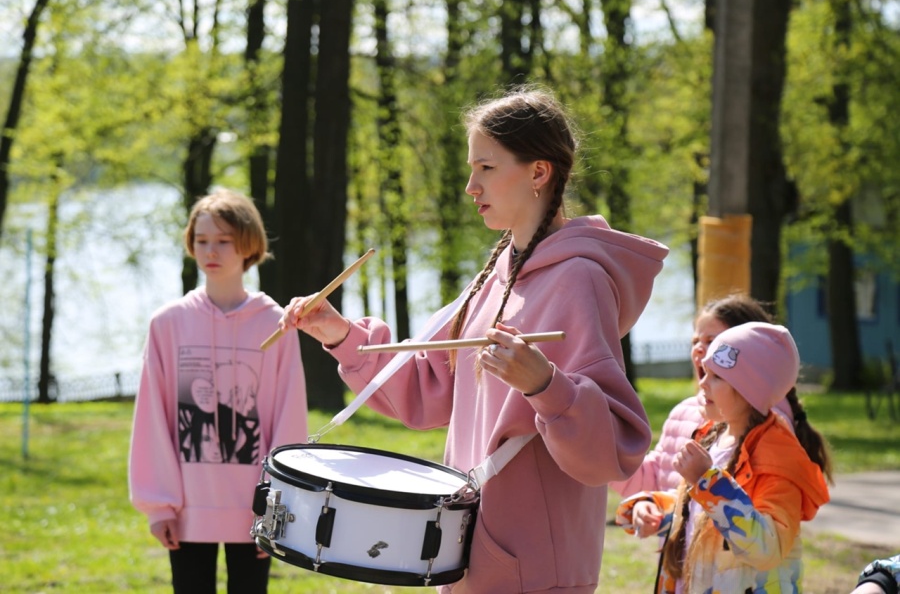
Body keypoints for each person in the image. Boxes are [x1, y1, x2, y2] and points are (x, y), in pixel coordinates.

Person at [279, 85, 669, 593]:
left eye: (485, 167)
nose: (470, 185)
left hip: (534, 568)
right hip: (468, 553)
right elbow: (426, 389)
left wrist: (546, 386)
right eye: (471, 168)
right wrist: (339, 334)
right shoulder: (496, 274)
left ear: (537, 171)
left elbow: (612, 449)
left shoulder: (579, 279)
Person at [128, 188, 308, 594]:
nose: (211, 250)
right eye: (202, 240)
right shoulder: (168, 324)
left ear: (248, 244)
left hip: (254, 508)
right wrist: (159, 505)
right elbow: (152, 420)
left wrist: (277, 505)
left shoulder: (276, 324)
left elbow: (289, 415)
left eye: (223, 241)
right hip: (188, 507)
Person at [616, 322, 832, 593]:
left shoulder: (778, 460)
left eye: (716, 377)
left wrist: (708, 482)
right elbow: (701, 515)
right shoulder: (713, 437)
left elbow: (767, 547)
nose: (702, 382)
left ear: (749, 390)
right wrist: (654, 510)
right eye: (705, 372)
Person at [611, 293, 798, 498]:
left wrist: (705, 480)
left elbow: (754, 520)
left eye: (712, 341)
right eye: (695, 341)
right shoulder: (682, 412)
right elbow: (656, 479)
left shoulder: (763, 423)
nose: (699, 349)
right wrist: (649, 504)